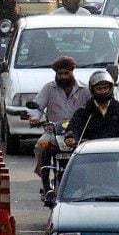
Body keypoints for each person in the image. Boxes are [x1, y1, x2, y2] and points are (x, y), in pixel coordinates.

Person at [30, 56, 90, 191]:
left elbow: (93, 107)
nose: (63, 77)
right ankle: (45, 182)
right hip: (53, 132)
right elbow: (37, 106)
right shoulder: (49, 88)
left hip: (78, 132)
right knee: (41, 146)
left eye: (66, 73)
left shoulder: (85, 89)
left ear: (72, 72)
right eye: (60, 74)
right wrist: (34, 118)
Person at [64, 71, 119, 147]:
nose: (103, 92)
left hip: (117, 152)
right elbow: (73, 128)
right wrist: (70, 137)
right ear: (92, 90)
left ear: (111, 88)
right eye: (99, 89)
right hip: (91, 153)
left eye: (105, 88)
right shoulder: (84, 111)